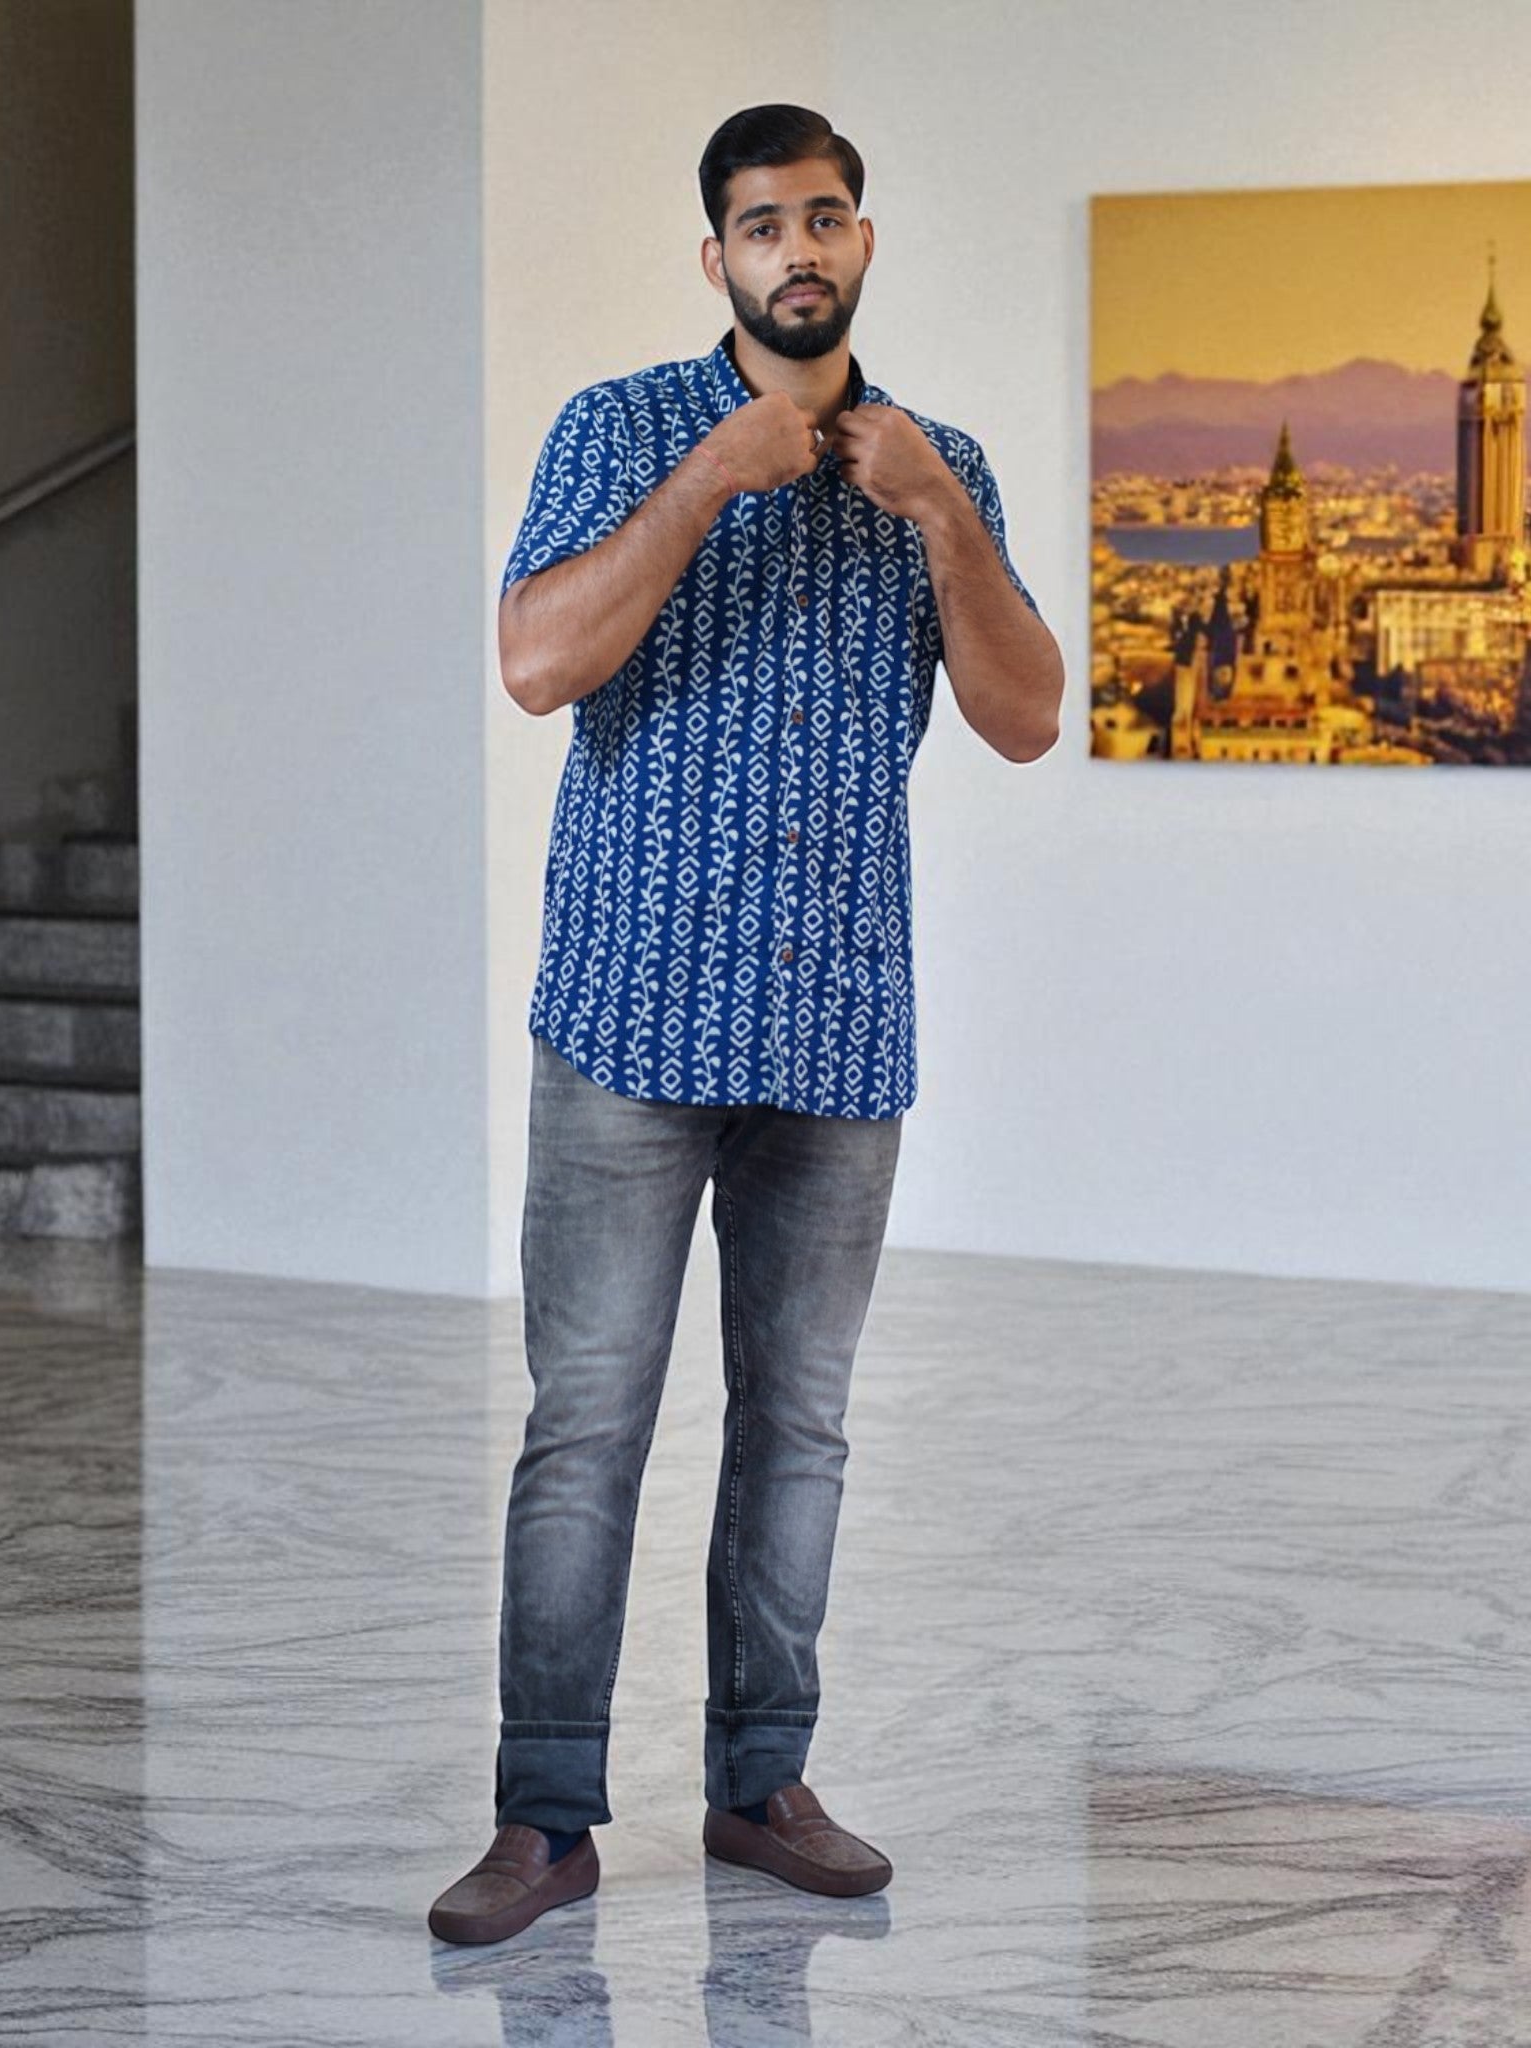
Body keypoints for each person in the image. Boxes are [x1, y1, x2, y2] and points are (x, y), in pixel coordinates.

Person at [428, 103, 1062, 1947]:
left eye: (829, 217)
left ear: (866, 243)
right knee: (589, 1427)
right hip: (629, 1015)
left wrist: (937, 509)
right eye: (764, 222)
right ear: (714, 257)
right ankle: (545, 1819)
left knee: (801, 1425)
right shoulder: (620, 431)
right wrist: (709, 478)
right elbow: (539, 661)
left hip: (836, 1026)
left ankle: (761, 1781)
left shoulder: (941, 470)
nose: (801, 247)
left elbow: (1024, 718)